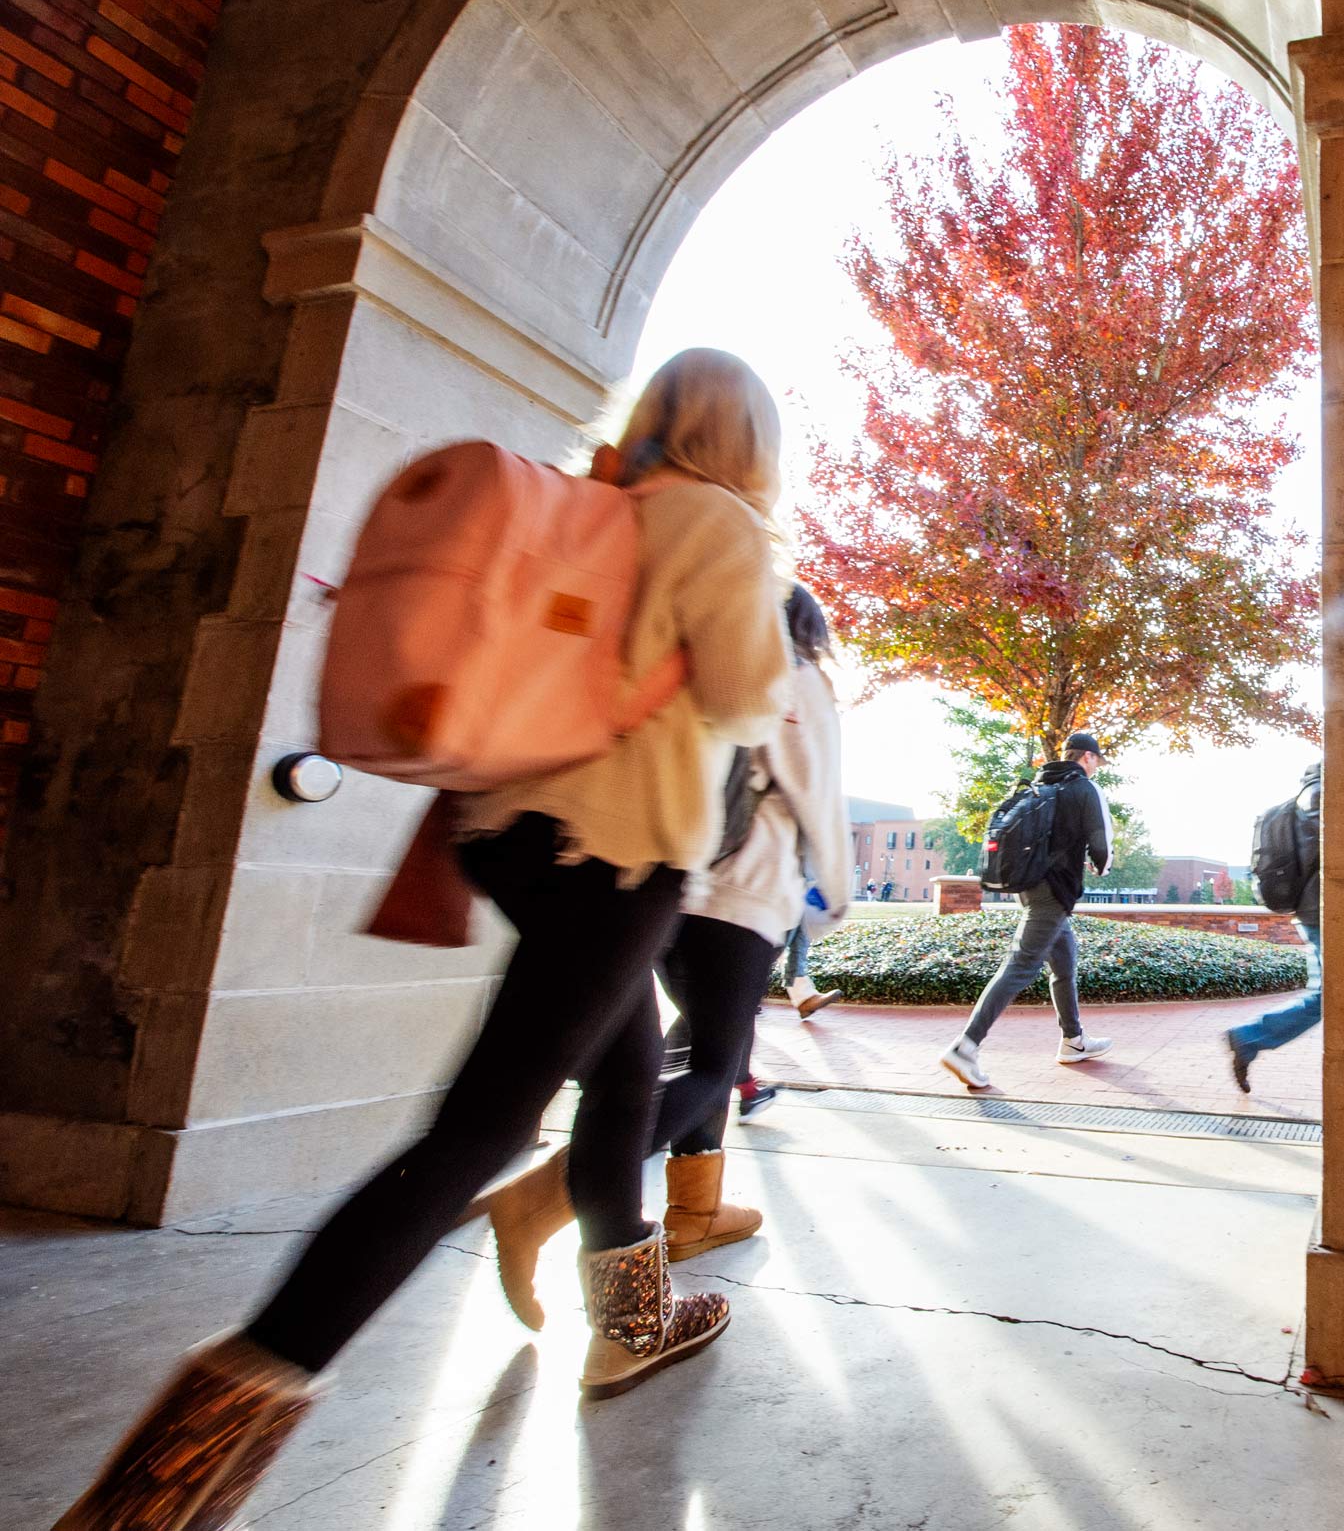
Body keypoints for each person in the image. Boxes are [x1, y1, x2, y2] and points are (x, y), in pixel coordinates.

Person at [50, 349, 793, 1530]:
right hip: (618, 849)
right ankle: (167, 1479)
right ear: (749, 440)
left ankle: (635, 1318)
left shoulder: (599, 506)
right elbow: (753, 690)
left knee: (615, 1075)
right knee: (475, 1133)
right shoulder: (718, 521)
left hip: (509, 835)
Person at [484, 584, 850, 1329]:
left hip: (661, 886)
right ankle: (548, 1195)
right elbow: (817, 793)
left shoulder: (694, 665)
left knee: (669, 1054)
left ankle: (695, 1210)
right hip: (740, 897)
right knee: (716, 1060)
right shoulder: (792, 677)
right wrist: (836, 896)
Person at [938, 730, 1115, 1090]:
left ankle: (1073, 1040)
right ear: (1088, 758)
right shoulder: (1084, 788)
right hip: (1055, 890)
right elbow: (1102, 846)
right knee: (1021, 963)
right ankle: (965, 1047)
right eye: (1098, 761)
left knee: (1064, 960)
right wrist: (1101, 864)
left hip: (1031, 884)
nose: (1097, 768)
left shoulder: (1041, 781)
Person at [1228, 761, 1322, 1090]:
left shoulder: (1308, 796)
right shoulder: (1321, 797)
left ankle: (1250, 1039)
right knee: (1329, 996)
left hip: (1311, 909)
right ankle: (1249, 1037)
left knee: (1329, 994)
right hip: (1321, 910)